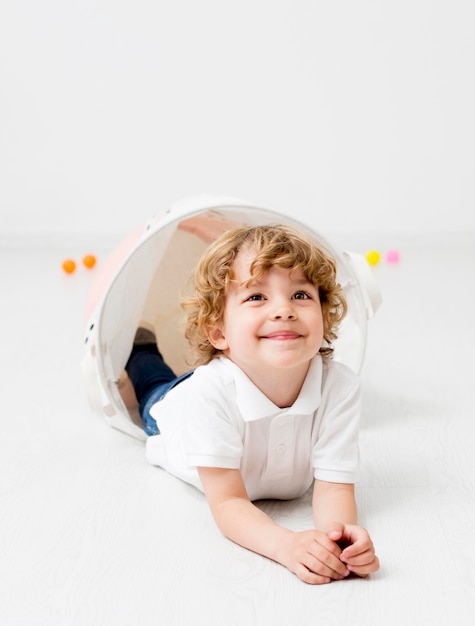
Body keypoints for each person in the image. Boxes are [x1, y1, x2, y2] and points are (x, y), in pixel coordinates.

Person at [125, 224, 380, 584]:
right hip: (176, 411)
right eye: (257, 297)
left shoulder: (339, 385)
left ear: (324, 315)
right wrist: (288, 546)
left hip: (223, 385)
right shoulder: (205, 395)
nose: (284, 310)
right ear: (218, 332)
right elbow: (229, 503)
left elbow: (334, 487)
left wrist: (341, 542)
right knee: (154, 386)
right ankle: (141, 349)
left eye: (301, 296)